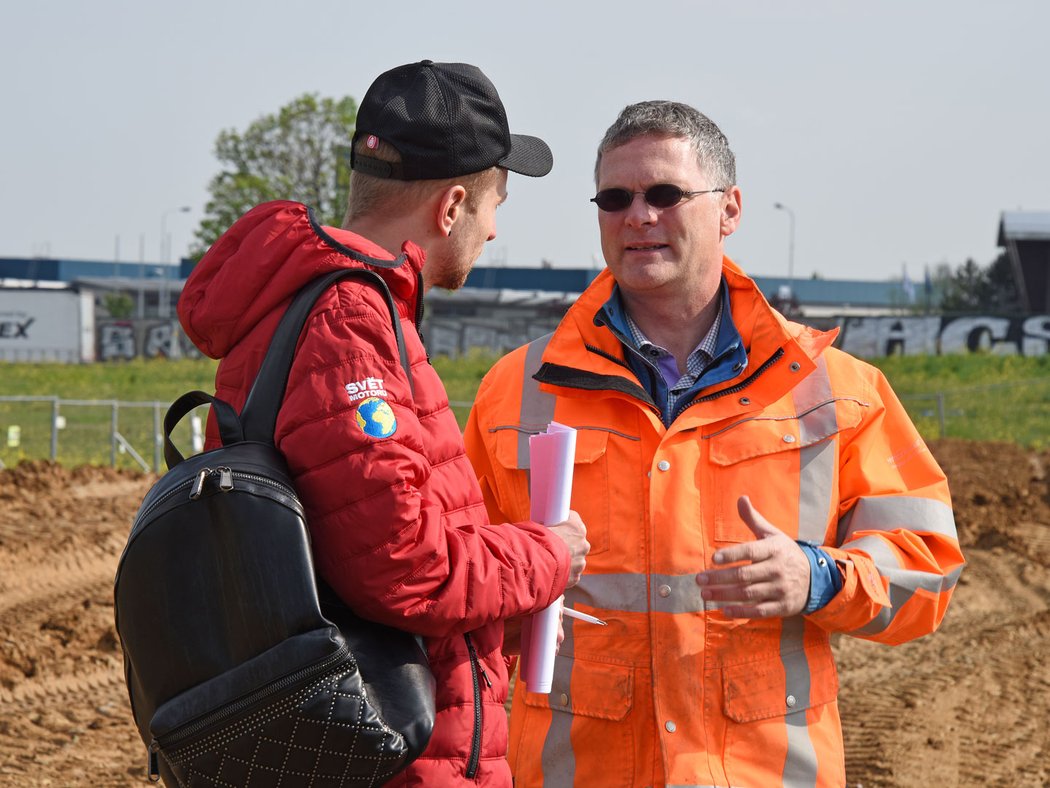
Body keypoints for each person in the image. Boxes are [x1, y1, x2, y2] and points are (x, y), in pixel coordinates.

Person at [463, 100, 964, 787]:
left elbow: (928, 568)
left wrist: (817, 578)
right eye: (616, 198)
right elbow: (460, 589)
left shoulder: (838, 390)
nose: (638, 216)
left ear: (729, 209)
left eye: (665, 194)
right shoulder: (514, 392)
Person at [177, 60, 589, 787]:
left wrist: (503, 622)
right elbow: (409, 569)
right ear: (452, 205)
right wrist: (547, 556)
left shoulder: (324, 304)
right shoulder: (349, 320)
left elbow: (353, 547)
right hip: (389, 758)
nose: (494, 231)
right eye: (496, 203)